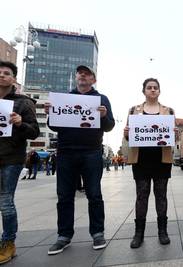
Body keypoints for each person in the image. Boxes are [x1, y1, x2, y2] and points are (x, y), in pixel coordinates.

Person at [45, 65, 115, 255]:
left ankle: (97, 232)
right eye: (80, 73)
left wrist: (103, 116)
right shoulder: (64, 98)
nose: (83, 75)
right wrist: (51, 113)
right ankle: (64, 236)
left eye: (88, 73)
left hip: (91, 152)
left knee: (94, 194)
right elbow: (54, 126)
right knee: (64, 195)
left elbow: (109, 126)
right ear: (76, 78)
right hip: (66, 152)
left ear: (93, 80)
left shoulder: (101, 99)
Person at [123, 78, 174, 249]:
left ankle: (162, 231)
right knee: (141, 196)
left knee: (161, 195)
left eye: (155, 88)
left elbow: (171, 136)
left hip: (162, 160)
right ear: (143, 91)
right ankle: (139, 233)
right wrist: (127, 133)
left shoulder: (168, 111)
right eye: (149, 88)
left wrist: (173, 132)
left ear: (159, 91)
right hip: (141, 160)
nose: (152, 90)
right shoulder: (133, 110)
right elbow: (129, 137)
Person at [0, 61, 39, 264]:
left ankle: (8, 243)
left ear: (13, 78)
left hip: (11, 158)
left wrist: (20, 123)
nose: (2, 76)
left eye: (6, 73)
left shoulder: (23, 102)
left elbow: (35, 131)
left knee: (6, 202)